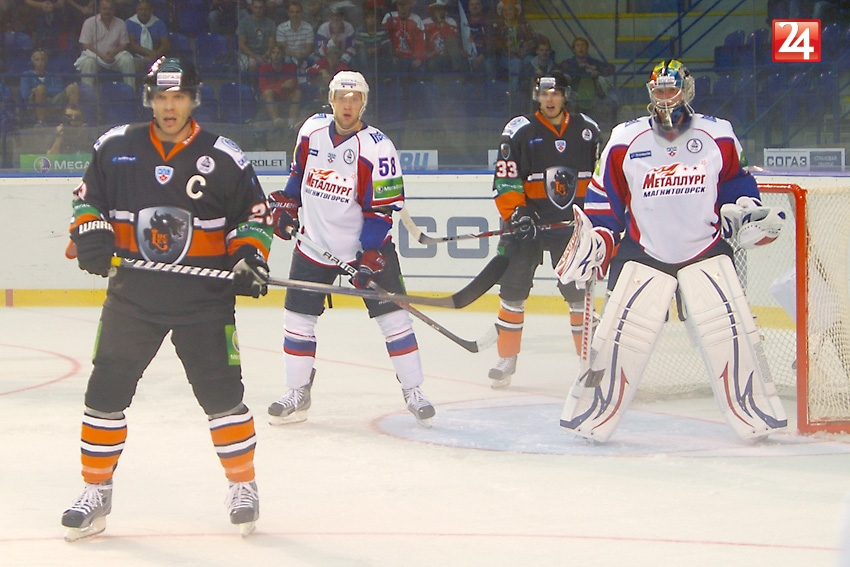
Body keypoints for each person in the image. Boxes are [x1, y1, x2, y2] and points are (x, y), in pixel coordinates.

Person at [60, 56, 274, 541]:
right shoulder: (115, 147)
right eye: (161, 97)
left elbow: (254, 216)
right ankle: (96, 491)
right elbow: (86, 199)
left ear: (193, 100)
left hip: (204, 300)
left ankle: (243, 485)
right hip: (133, 298)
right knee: (105, 393)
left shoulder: (224, 156)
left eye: (178, 97)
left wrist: (248, 256)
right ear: (149, 100)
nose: (169, 106)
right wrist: (91, 231)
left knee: (222, 397)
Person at [554, 59, 787, 442]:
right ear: (651, 93)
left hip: (707, 250)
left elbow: (736, 184)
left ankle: (755, 412)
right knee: (617, 342)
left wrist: (746, 211)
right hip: (643, 251)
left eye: (672, 88)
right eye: (659, 90)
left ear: (687, 90)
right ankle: (592, 414)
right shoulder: (624, 138)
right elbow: (603, 198)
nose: (665, 97)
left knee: (733, 337)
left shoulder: (719, 134)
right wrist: (599, 240)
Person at [266, 70, 436, 428]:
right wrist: (288, 205)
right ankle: (297, 391)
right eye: (341, 97)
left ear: (363, 103)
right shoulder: (311, 130)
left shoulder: (378, 147)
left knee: (394, 320)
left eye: (355, 98)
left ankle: (414, 391)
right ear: (331, 100)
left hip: (366, 251)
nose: (347, 104)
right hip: (314, 246)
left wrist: (370, 254)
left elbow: (381, 212)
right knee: (297, 320)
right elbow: (298, 175)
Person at [487, 71, 600, 389]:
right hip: (528, 226)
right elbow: (506, 178)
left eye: (556, 93)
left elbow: (599, 179)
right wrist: (517, 213)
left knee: (579, 294)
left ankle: (589, 361)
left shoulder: (588, 130)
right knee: (513, 290)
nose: (550, 99)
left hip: (572, 228)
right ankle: (507, 358)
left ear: (565, 96)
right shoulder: (518, 130)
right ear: (537, 96)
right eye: (544, 93)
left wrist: (595, 218)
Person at [74, 0, 136, 88]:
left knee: (127, 59)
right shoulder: (89, 22)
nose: (107, 11)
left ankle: (131, 90)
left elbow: (123, 44)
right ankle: (87, 93)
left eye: (110, 9)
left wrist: (113, 53)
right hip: (95, 56)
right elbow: (85, 45)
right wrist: (102, 56)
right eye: (104, 9)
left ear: (114, 10)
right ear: (99, 9)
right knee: (88, 63)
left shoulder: (121, 23)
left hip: (114, 56)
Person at [559, 37, 618, 127]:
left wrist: (595, 69)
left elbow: (611, 68)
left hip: (595, 96)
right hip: (573, 95)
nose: (581, 48)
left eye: (583, 45)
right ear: (574, 49)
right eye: (578, 45)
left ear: (587, 49)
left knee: (612, 100)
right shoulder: (569, 63)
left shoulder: (592, 62)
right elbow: (561, 71)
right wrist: (582, 70)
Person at [19, 48, 81, 127]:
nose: (40, 62)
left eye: (43, 59)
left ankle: (73, 120)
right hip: (34, 103)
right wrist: (40, 91)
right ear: (33, 61)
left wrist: (41, 90)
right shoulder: (26, 75)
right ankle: (40, 122)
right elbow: (25, 94)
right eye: (37, 60)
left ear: (46, 61)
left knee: (73, 88)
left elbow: (59, 90)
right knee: (41, 89)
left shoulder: (54, 75)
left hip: (54, 101)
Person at [491, 0, 537, 94]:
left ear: (516, 11)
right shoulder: (498, 27)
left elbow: (534, 41)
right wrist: (504, 45)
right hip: (506, 57)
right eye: (505, 10)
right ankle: (513, 93)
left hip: (523, 55)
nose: (507, 12)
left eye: (510, 10)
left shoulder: (524, 25)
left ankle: (531, 92)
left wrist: (528, 44)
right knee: (516, 63)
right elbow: (493, 44)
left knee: (532, 61)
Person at [381, 0, 427, 84]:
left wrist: (419, 58)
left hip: (411, 58)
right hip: (395, 57)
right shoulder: (389, 17)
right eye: (400, 4)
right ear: (396, 5)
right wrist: (390, 56)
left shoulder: (416, 19)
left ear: (410, 5)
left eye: (405, 4)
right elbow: (384, 39)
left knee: (417, 71)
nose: (402, 7)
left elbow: (420, 40)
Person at [258, 43, 302, 128]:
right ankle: (276, 120)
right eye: (273, 53)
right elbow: (264, 87)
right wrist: (281, 86)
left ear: (283, 55)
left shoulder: (291, 67)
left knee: (297, 93)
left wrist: (278, 87)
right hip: (270, 97)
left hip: (285, 96)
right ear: (270, 55)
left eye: (278, 53)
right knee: (268, 92)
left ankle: (291, 121)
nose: (276, 55)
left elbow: (294, 85)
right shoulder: (264, 68)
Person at [423, 0, 466, 76]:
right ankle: (438, 83)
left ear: (445, 10)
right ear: (432, 10)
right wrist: (428, 53)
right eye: (436, 8)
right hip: (433, 56)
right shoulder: (424, 23)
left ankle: (458, 74)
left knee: (450, 39)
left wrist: (440, 21)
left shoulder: (451, 21)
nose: (438, 11)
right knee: (432, 63)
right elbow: (422, 42)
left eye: (441, 8)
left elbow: (452, 41)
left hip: (448, 55)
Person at [125, 0, 170, 73]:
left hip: (156, 56)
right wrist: (149, 53)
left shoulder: (159, 23)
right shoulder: (129, 23)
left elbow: (165, 44)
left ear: (151, 10)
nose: (143, 12)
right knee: (134, 64)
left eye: (146, 9)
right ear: (136, 10)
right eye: (141, 9)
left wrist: (155, 55)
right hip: (135, 57)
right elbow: (131, 44)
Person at [275, 1, 317, 75]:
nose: (295, 15)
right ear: (288, 13)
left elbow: (309, 49)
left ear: (302, 13)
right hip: (288, 56)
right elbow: (282, 49)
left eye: (297, 12)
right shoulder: (281, 28)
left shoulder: (308, 27)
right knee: (286, 61)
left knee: (316, 60)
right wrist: (294, 55)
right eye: (292, 12)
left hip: (304, 55)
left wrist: (301, 56)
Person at [237, 0, 277, 76]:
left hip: (265, 54)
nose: (258, 10)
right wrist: (255, 57)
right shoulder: (243, 22)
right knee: (253, 64)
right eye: (256, 7)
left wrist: (265, 56)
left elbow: (272, 44)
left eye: (260, 7)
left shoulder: (271, 23)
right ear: (251, 7)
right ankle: (252, 84)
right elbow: (242, 44)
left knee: (276, 64)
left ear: (264, 8)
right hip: (247, 55)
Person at [352, 7, 392, 83]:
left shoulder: (383, 31)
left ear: (377, 19)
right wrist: (368, 50)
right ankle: (367, 78)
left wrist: (377, 49)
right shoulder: (360, 31)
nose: (371, 20)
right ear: (366, 19)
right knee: (360, 55)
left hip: (379, 55)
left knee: (387, 58)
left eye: (373, 18)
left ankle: (384, 79)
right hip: (365, 56)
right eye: (369, 17)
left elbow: (387, 46)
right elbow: (358, 47)